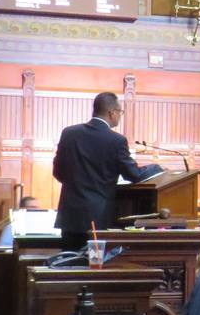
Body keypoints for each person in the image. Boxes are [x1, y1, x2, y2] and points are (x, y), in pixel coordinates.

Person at [54, 92, 162, 251]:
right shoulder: (116, 141)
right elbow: (134, 175)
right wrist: (156, 167)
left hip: (70, 216)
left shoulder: (69, 133)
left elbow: (58, 171)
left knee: (68, 264)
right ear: (112, 113)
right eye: (120, 112)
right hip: (98, 217)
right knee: (94, 268)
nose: (120, 116)